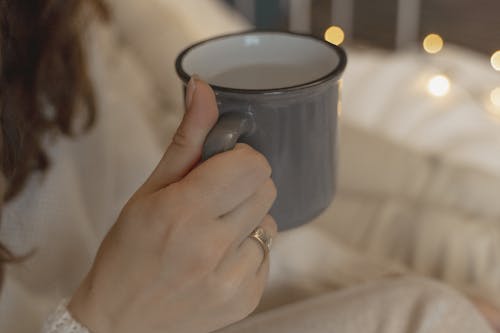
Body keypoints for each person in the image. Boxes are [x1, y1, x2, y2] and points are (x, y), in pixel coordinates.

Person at [0, 1, 497, 332]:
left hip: (236, 234)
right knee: (438, 313)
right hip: (141, 302)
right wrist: (101, 318)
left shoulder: (78, 25)